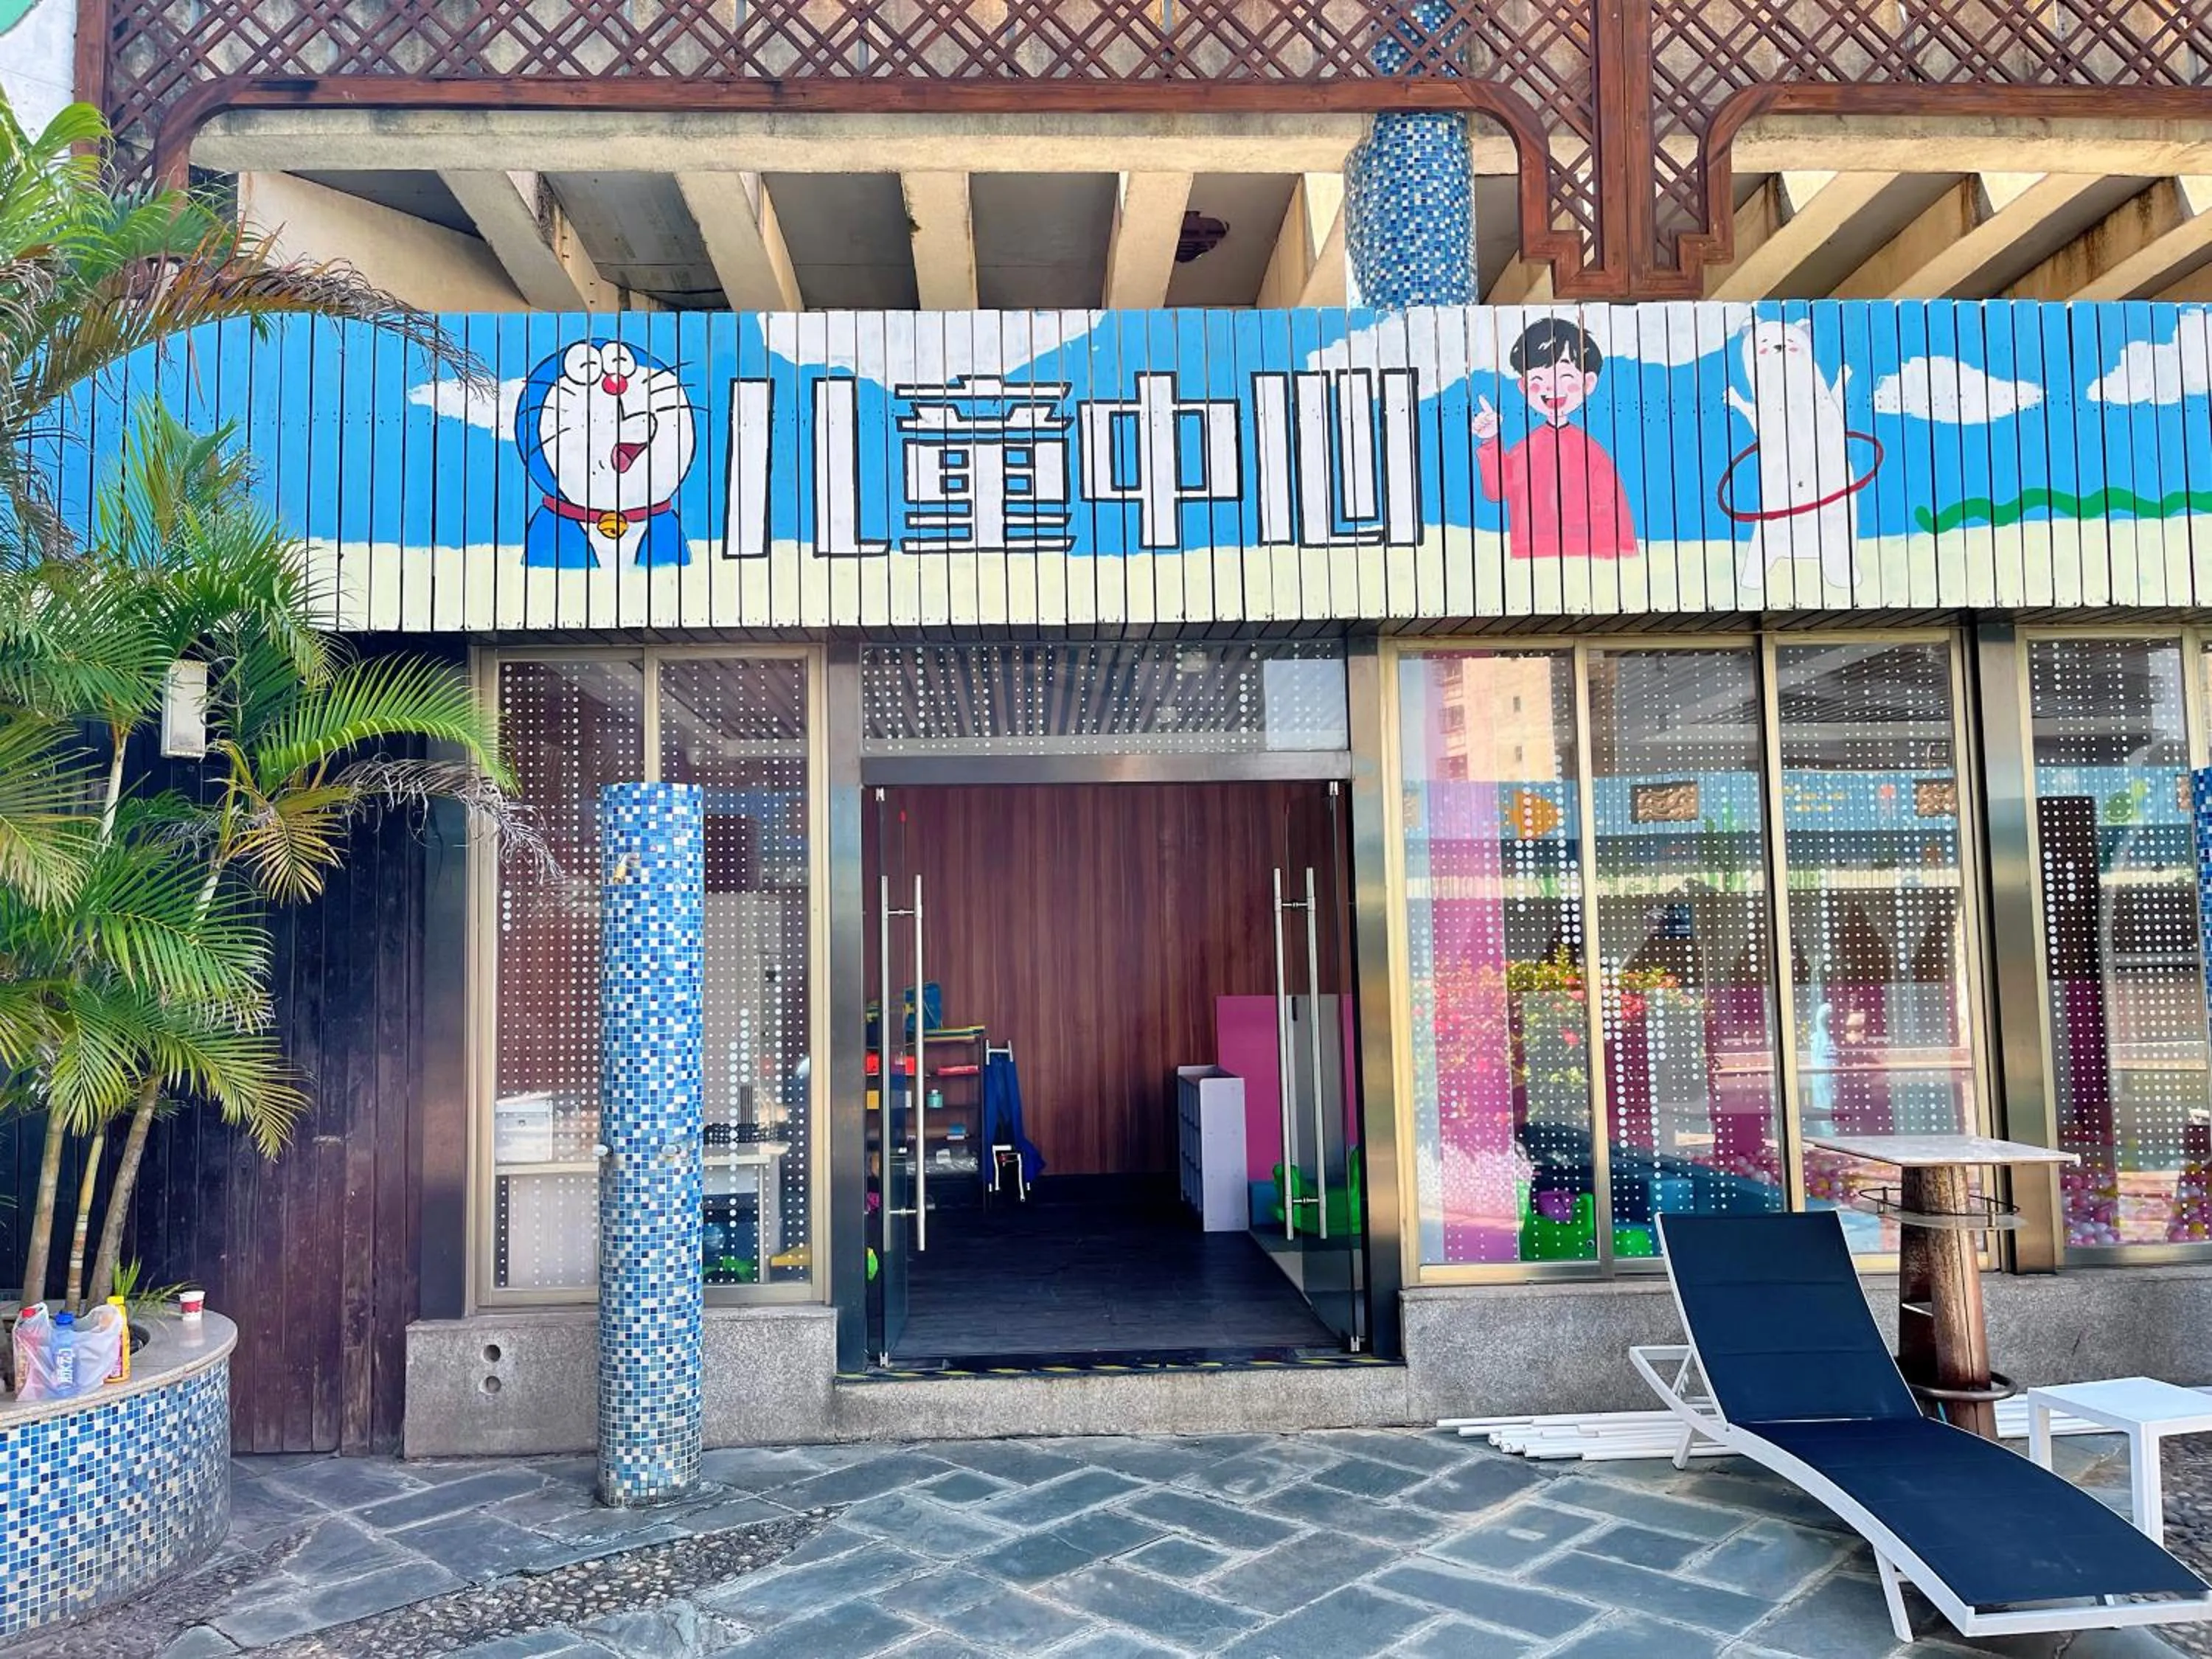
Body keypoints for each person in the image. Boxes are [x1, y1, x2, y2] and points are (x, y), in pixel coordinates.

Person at [1475, 318, 1638, 560]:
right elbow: (1496, 490)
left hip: (1589, 563)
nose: (1551, 389)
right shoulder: (1525, 450)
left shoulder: (1593, 455)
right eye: (1538, 381)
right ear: (1524, 387)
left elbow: (1616, 518)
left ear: (1588, 383)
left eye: (1565, 377)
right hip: (1530, 560)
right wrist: (1490, 440)